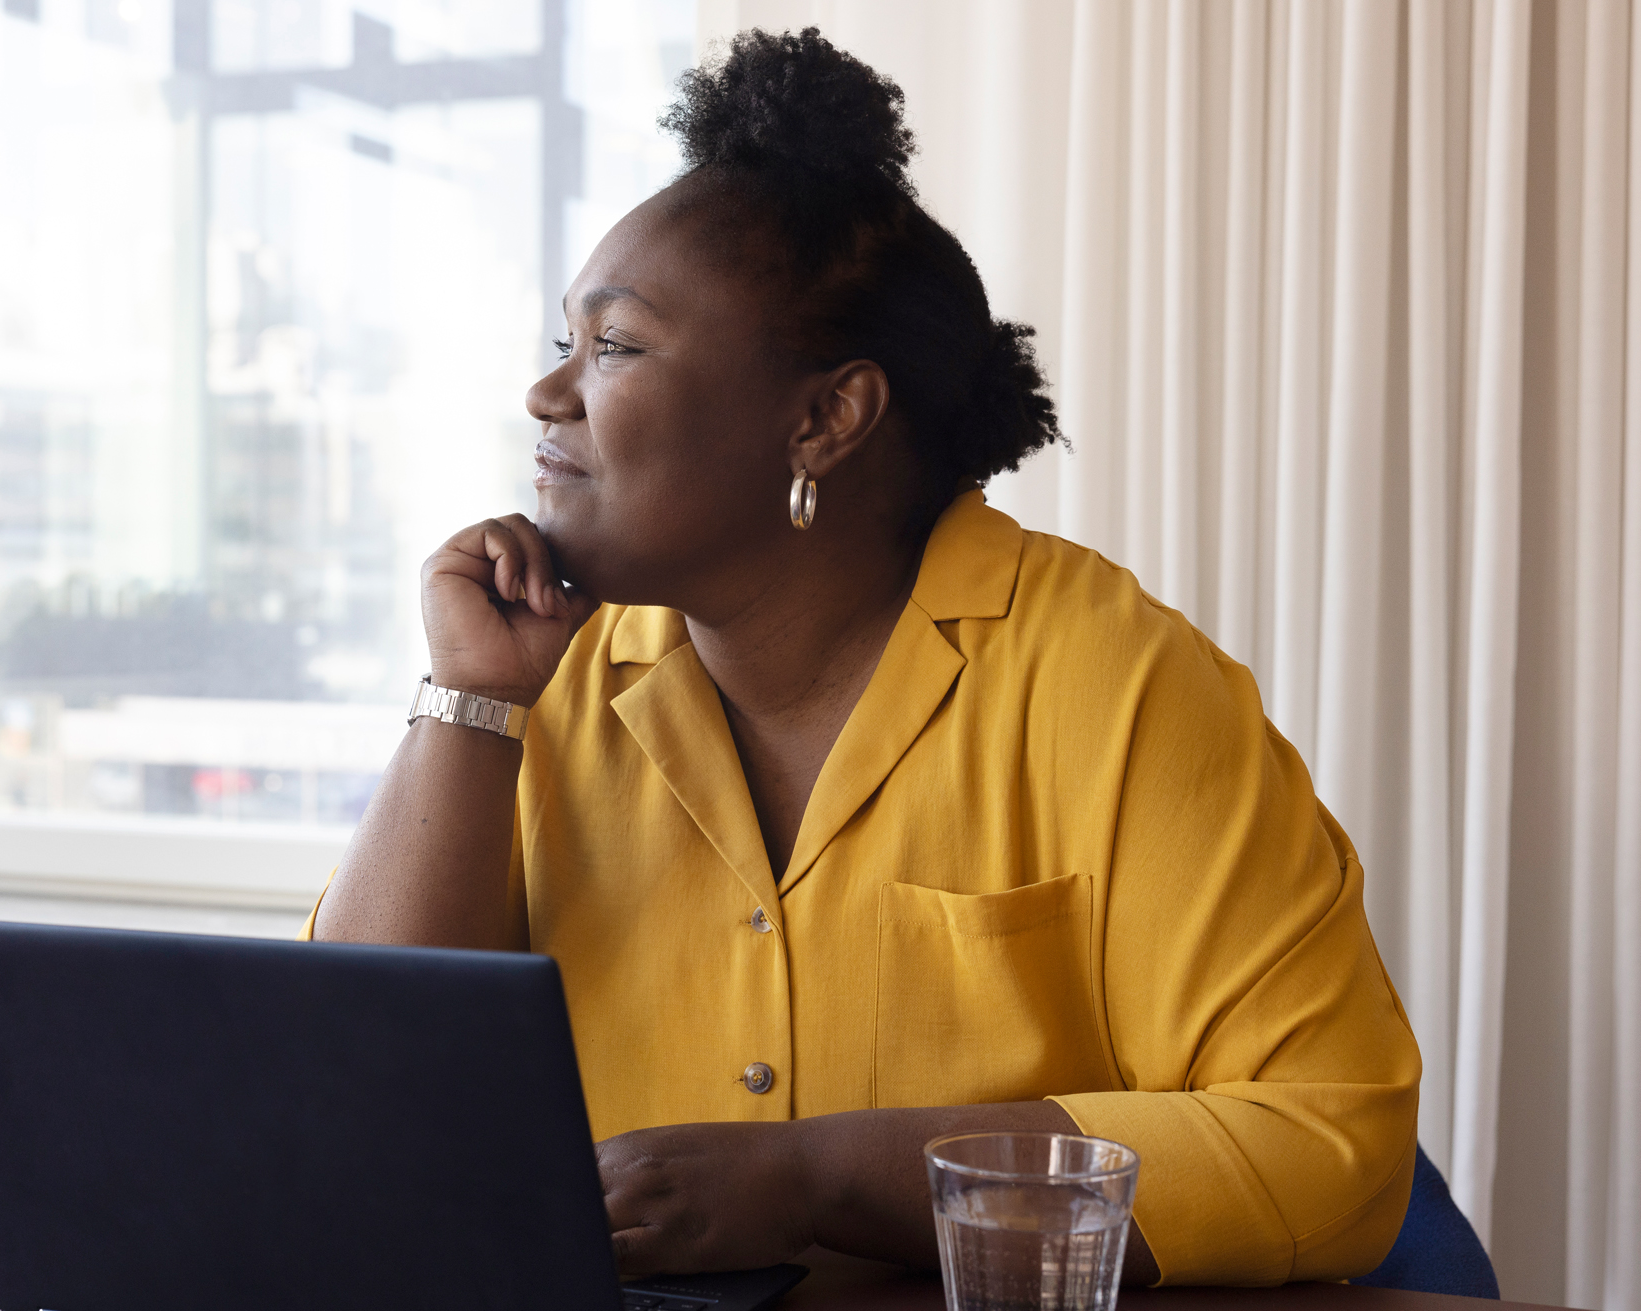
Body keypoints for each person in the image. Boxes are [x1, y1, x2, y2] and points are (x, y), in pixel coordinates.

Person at [308, 26, 1420, 1289]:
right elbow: (338, 1104)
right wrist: (469, 704)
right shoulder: (536, 677)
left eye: (613, 346)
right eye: (564, 340)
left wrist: (819, 1177)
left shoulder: (1117, 685)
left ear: (825, 418)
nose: (547, 394)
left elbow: (1331, 1139)